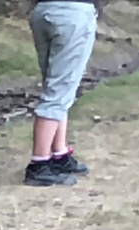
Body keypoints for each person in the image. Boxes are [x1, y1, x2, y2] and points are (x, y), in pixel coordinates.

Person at [26, 0, 99, 187]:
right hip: (74, 14)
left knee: (56, 86)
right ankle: (39, 163)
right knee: (59, 91)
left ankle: (59, 154)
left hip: (43, 10)